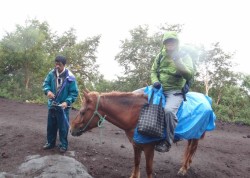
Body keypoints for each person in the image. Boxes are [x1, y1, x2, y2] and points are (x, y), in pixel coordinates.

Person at [134, 31, 194, 152]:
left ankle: (167, 142)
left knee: (168, 111)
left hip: (174, 91)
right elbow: (153, 71)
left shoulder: (184, 56)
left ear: (177, 43)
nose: (170, 43)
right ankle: (133, 127)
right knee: (133, 95)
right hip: (157, 88)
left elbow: (189, 75)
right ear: (164, 43)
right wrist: (155, 81)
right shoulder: (160, 55)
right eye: (167, 41)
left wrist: (178, 61)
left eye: (172, 41)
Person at [42, 55, 79, 153]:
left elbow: (74, 93)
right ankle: (50, 143)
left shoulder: (70, 77)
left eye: (59, 64)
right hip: (52, 104)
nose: (57, 66)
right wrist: (48, 91)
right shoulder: (51, 73)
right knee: (51, 126)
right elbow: (46, 84)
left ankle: (63, 145)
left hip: (63, 107)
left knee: (63, 127)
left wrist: (67, 102)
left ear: (64, 65)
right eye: (56, 64)